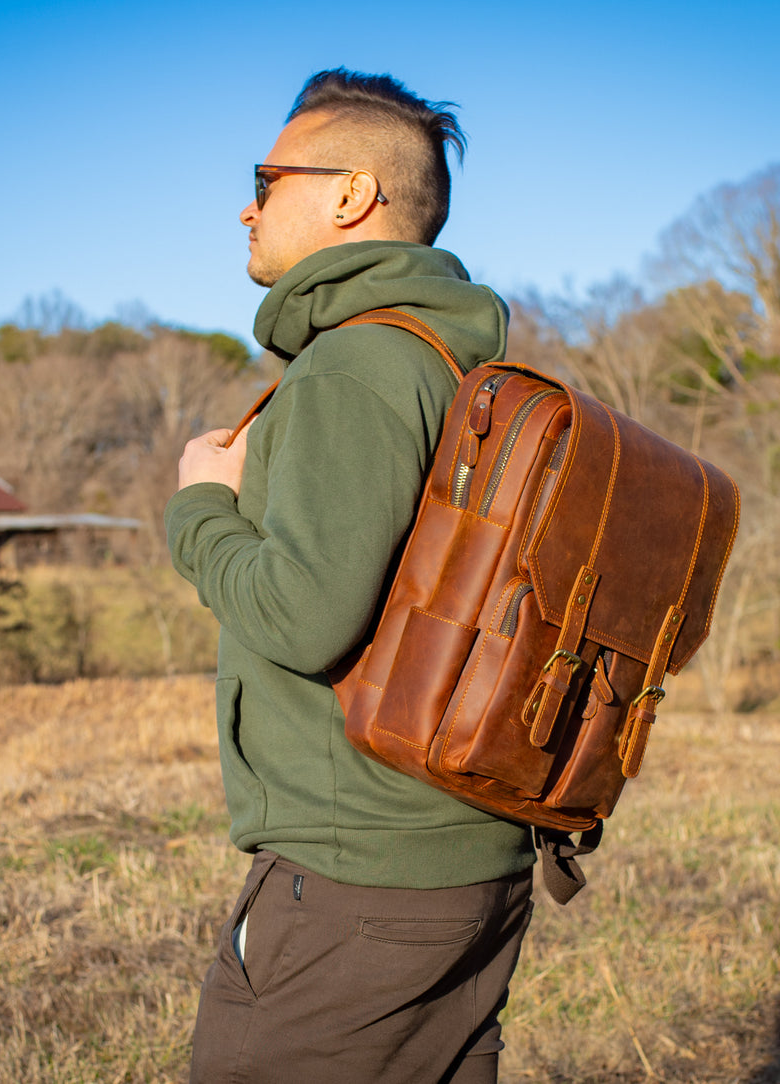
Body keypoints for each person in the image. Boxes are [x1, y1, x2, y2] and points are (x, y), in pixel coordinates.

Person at [166, 68, 535, 1083]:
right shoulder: (451, 364)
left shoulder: (357, 364)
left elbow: (304, 615)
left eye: (266, 176)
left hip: (356, 881)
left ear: (349, 195)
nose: (246, 204)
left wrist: (200, 505)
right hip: (462, 859)